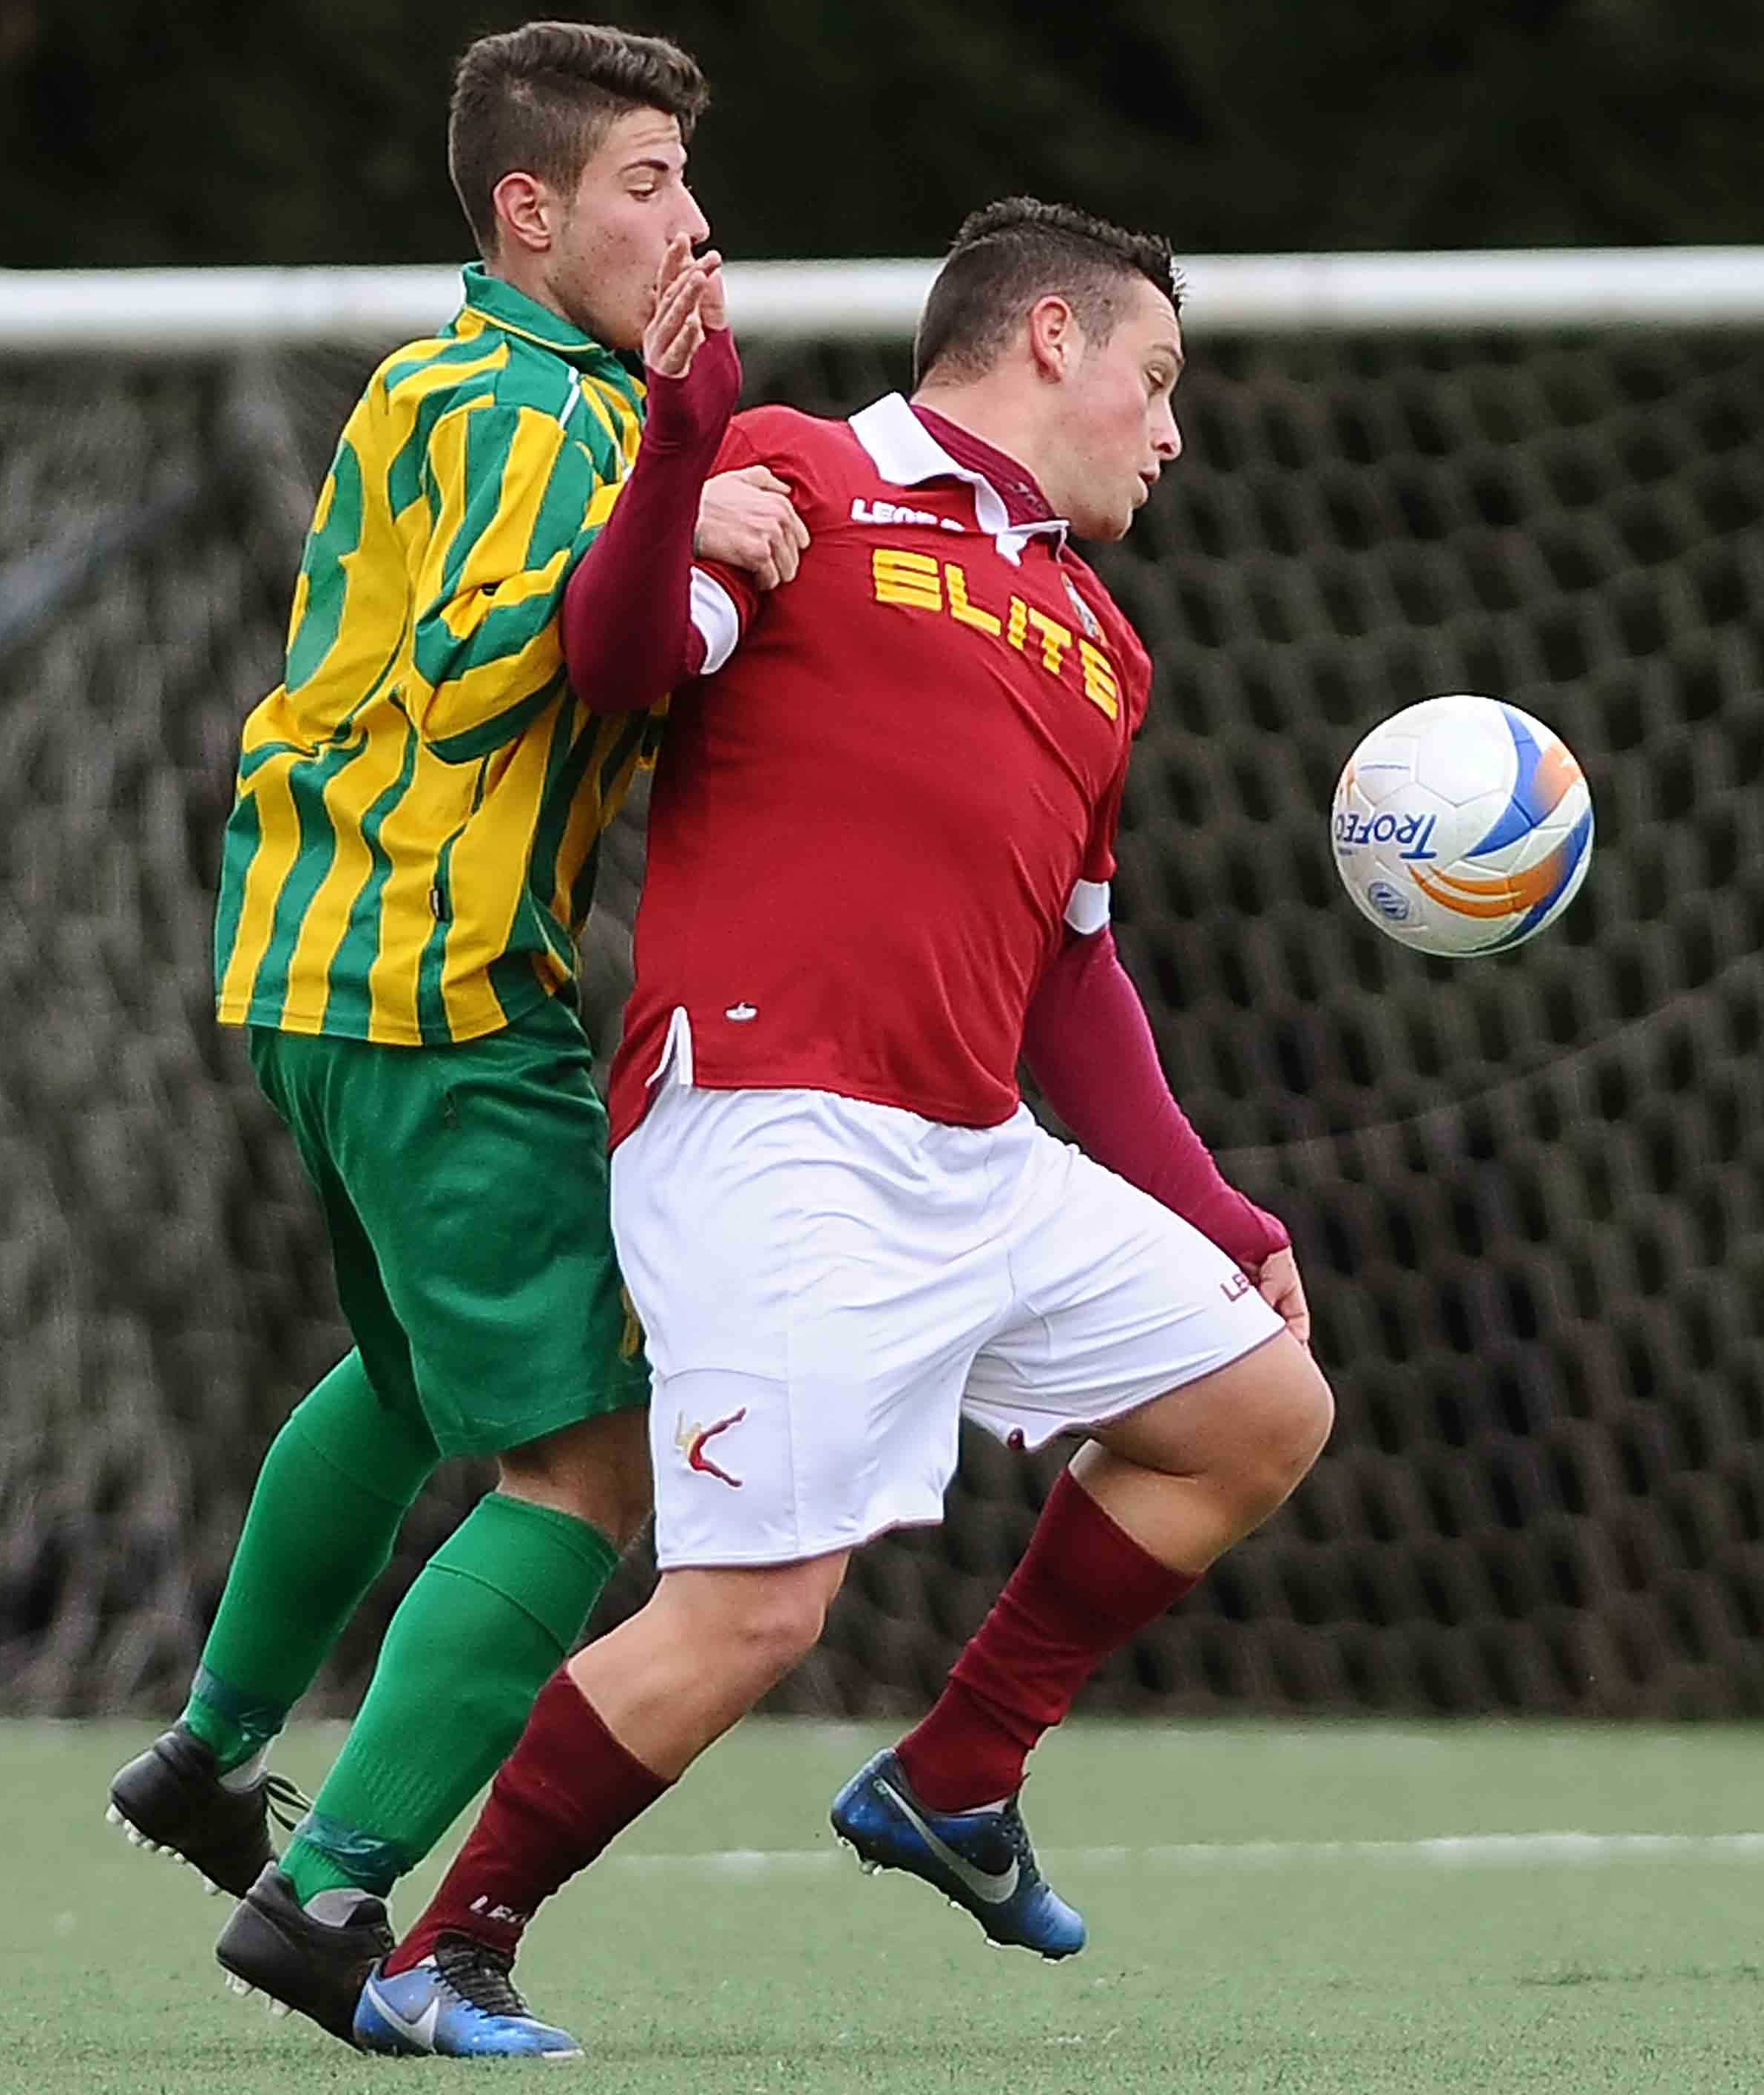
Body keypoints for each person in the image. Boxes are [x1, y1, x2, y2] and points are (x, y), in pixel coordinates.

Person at [342, 198, 1338, 2061]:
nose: (1170, 430)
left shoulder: (1101, 643)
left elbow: (1072, 976)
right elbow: (621, 656)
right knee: (756, 1613)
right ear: (1050, 337)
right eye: (1155, 379)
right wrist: (678, 442)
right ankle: (439, 1951)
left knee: (1261, 1413)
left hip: (974, 1157)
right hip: (770, 1129)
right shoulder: (804, 468)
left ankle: (957, 1776)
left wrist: (1213, 1208)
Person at [98, 18, 807, 2046]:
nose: (689, 223)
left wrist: (685, 507)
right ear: (530, 212)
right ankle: (331, 1901)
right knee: (591, 1462)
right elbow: (506, 656)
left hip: (319, 967)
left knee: (413, 1378)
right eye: (645, 185)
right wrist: (701, 528)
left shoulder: (454, 382)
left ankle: (211, 1755)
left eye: (687, 180)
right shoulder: (538, 408)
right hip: (442, 984)